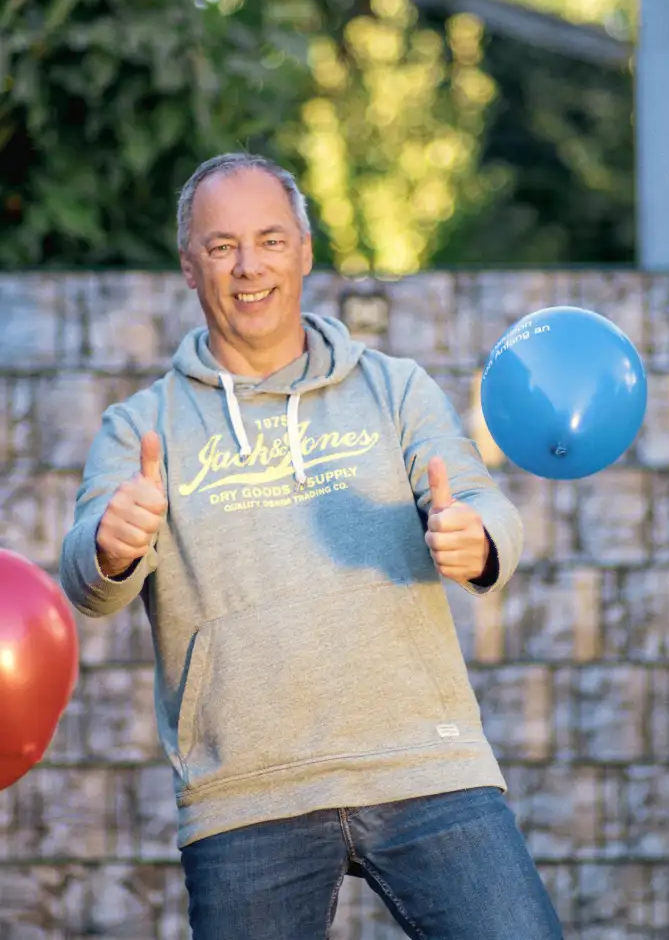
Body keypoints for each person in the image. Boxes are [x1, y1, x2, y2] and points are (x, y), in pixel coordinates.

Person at [60, 152, 563, 940]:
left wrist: (476, 539)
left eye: (268, 239)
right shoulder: (138, 427)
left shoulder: (395, 388)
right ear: (189, 266)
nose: (247, 266)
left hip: (424, 764)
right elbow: (88, 579)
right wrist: (112, 543)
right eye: (221, 246)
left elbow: (481, 503)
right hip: (247, 793)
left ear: (304, 248)